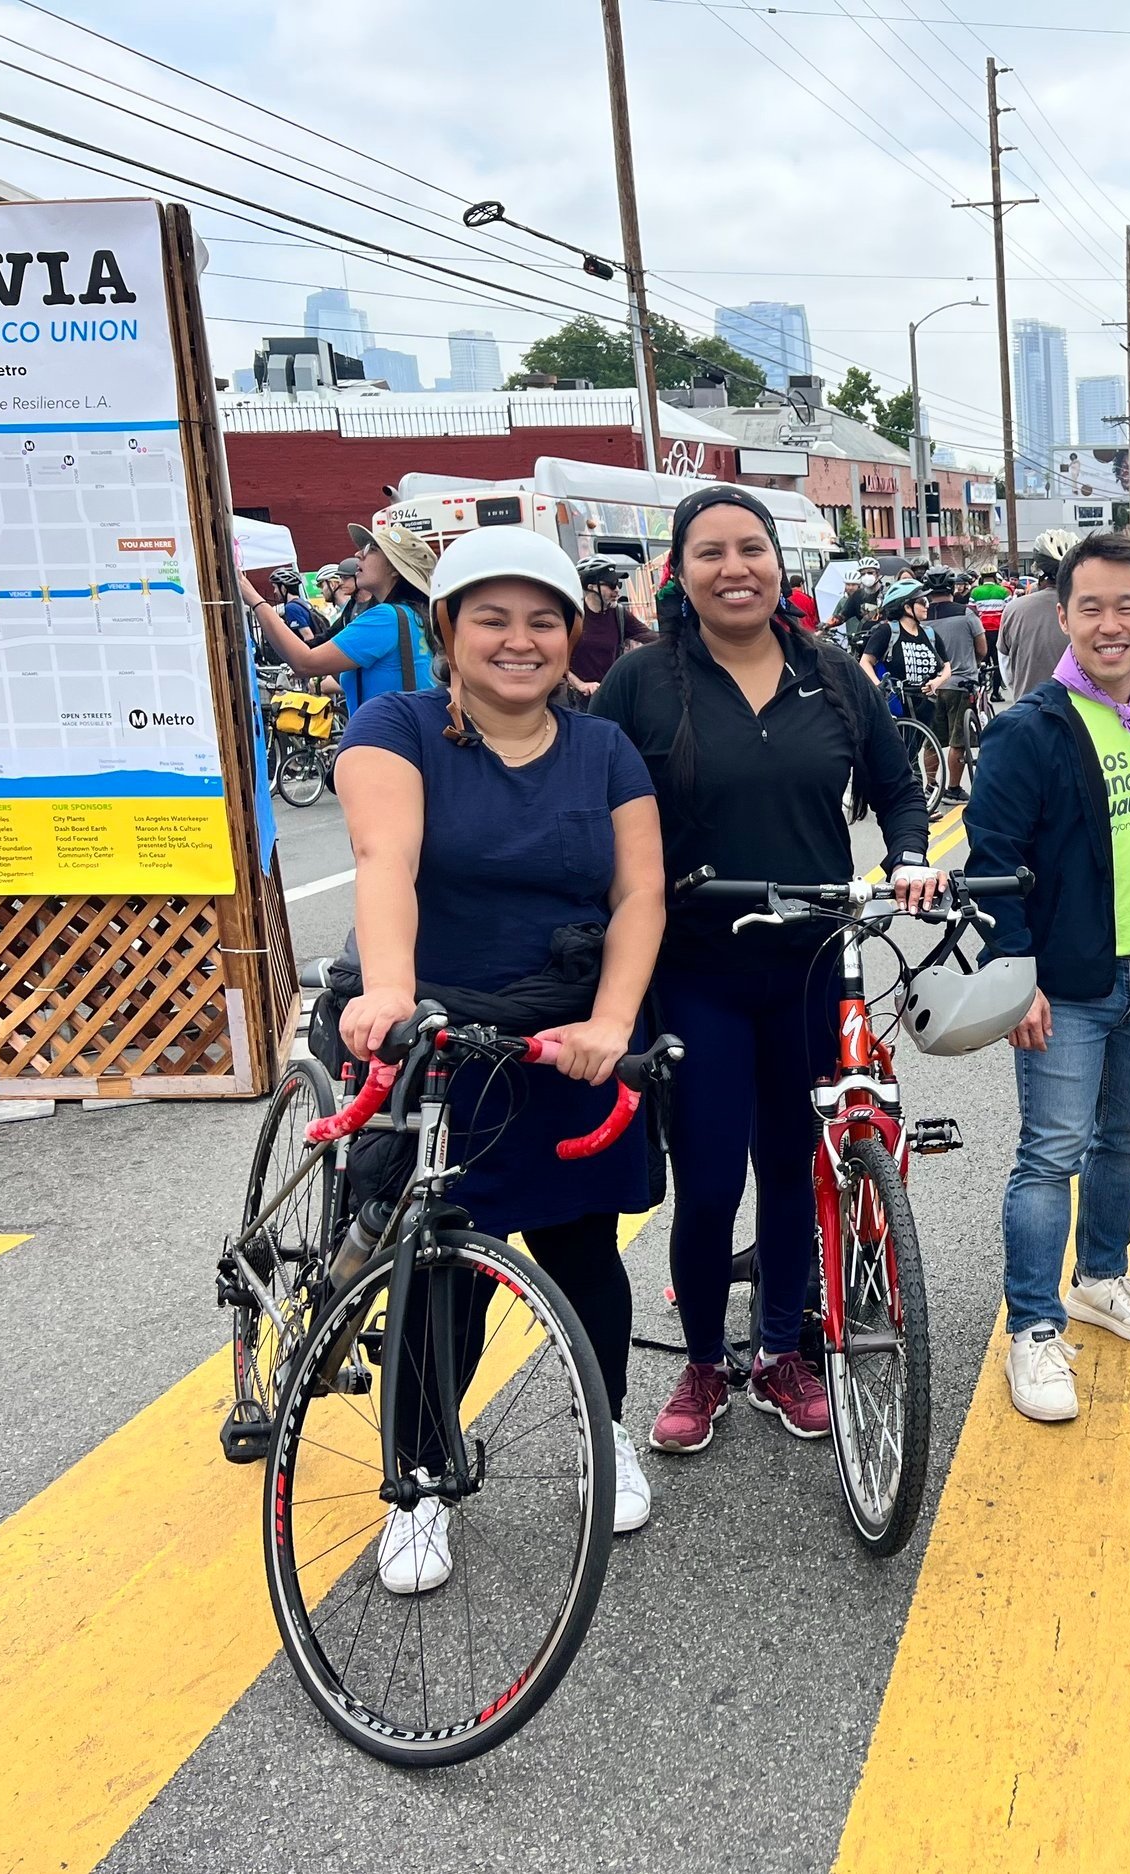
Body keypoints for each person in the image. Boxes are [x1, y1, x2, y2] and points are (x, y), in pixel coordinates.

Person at [327, 525, 668, 1587]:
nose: (519, 641)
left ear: (572, 635)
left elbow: (639, 893)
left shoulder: (601, 745)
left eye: (542, 621)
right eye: (493, 619)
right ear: (447, 629)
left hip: (563, 1033)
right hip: (439, 1021)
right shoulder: (397, 723)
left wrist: (613, 1022)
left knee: (582, 1250)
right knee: (440, 1275)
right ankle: (420, 1475)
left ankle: (601, 1429)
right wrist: (388, 988)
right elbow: (386, 857)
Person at [595, 488, 938, 1455]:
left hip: (814, 963)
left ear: (780, 565)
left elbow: (895, 786)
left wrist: (908, 856)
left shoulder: (833, 673)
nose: (734, 568)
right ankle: (705, 1362)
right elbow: (599, 804)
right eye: (711, 553)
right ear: (679, 571)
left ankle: (784, 1351)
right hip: (696, 968)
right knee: (706, 1182)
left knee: (792, 1167)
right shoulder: (642, 683)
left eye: (752, 549)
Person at [966, 532, 1130, 1424]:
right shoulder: (1029, 729)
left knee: (1128, 1140)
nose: (1110, 624)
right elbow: (992, 862)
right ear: (1061, 617)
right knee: (1049, 1154)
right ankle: (1031, 1326)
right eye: (1090, 607)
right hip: (1067, 987)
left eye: (1126, 606)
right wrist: (1015, 975)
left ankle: (1100, 1277)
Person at [243, 519, 435, 712]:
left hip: (384, 738)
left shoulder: (386, 618)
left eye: (372, 549)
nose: (359, 553)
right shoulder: (415, 616)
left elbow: (304, 662)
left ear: (395, 569)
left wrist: (255, 600)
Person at [924, 570, 988, 800]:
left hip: (930, 685)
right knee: (957, 740)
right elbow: (982, 649)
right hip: (961, 684)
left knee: (931, 739)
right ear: (953, 588)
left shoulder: (920, 618)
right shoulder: (967, 614)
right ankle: (952, 788)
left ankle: (930, 786)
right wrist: (973, 664)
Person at [996, 530, 1077, 698]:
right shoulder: (1091, 608)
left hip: (1029, 709)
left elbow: (1007, 669)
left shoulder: (1013, 610)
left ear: (1038, 570)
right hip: (1084, 712)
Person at [567, 555, 656, 699]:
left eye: (618, 584)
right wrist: (581, 684)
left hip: (610, 694)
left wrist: (681, 638)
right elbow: (557, 660)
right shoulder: (573, 615)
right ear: (591, 587)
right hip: (580, 699)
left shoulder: (619, 614)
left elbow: (651, 637)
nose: (617, 591)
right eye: (611, 584)